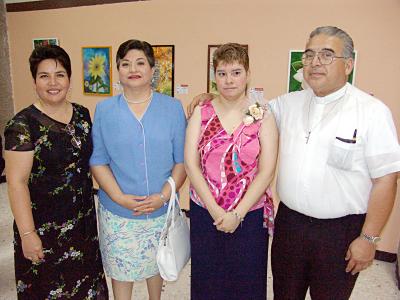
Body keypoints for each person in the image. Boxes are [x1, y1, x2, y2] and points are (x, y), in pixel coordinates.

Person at [188, 26, 400, 299]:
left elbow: (386, 179)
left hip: (339, 232)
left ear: (348, 64)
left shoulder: (371, 112)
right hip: (290, 226)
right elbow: (240, 107)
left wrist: (369, 238)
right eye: (309, 55)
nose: (315, 62)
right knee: (285, 294)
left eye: (326, 55)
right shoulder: (285, 105)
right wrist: (208, 98)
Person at [4, 45, 108, 299]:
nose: (53, 82)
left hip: (83, 225)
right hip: (44, 229)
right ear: (34, 81)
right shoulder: (21, 125)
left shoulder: (82, 115)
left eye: (60, 74)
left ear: (69, 79)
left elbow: (92, 161)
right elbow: (16, 182)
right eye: (44, 76)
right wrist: (28, 234)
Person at [90, 39, 186, 300]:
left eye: (140, 62)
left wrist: (164, 196)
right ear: (118, 70)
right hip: (118, 211)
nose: (133, 68)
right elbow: (98, 160)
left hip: (160, 209)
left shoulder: (173, 108)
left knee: (158, 264)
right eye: (125, 63)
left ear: (153, 69)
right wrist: (119, 197)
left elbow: (182, 162)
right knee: (121, 271)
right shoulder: (105, 110)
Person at [185, 43, 278, 299]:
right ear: (214, 76)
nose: (229, 80)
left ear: (248, 74)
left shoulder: (260, 113)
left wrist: (237, 214)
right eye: (222, 73)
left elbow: (266, 171)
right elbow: (191, 165)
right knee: (207, 280)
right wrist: (216, 211)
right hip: (206, 211)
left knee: (246, 282)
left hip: (249, 213)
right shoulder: (201, 113)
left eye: (236, 72)